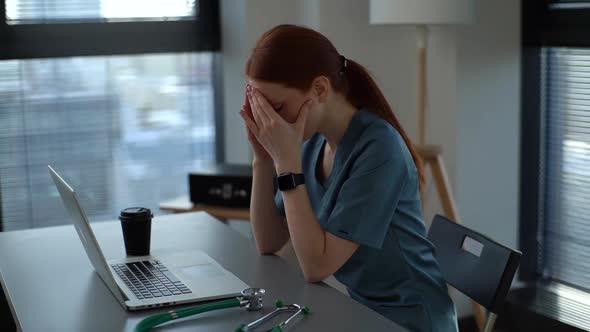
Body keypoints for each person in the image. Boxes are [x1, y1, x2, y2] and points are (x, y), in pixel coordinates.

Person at [238, 24, 458, 332]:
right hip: (360, 313)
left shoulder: (379, 150)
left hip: (411, 321)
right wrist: (262, 158)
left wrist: (286, 163)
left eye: (275, 108)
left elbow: (316, 266)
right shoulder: (313, 142)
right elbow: (268, 241)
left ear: (320, 89)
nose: (270, 122)